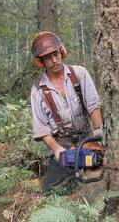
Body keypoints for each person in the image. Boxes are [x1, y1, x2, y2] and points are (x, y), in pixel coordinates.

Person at [30, 31, 103, 195]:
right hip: (62, 144)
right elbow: (41, 128)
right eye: (48, 57)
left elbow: (93, 106)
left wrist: (98, 133)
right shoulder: (38, 89)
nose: (54, 60)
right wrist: (56, 149)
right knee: (51, 193)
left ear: (61, 51)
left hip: (86, 138)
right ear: (41, 61)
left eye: (55, 54)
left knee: (97, 175)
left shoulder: (80, 74)